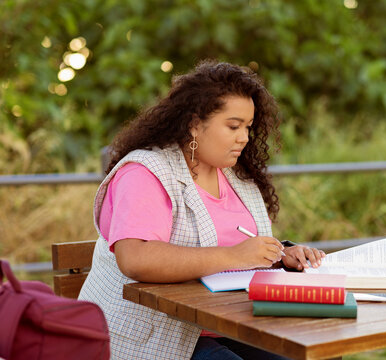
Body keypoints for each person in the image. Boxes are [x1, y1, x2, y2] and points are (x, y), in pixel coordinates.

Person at [78, 60, 326, 360]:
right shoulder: (145, 172)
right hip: (155, 334)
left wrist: (281, 256)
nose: (244, 137)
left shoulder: (237, 176)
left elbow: (240, 243)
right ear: (195, 124)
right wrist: (234, 257)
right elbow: (134, 257)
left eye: (248, 127)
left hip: (227, 324)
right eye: (233, 126)